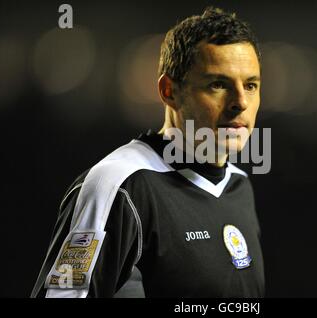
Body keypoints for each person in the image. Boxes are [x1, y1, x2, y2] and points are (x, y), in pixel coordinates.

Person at [31, 7, 264, 298]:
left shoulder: (239, 185)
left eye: (251, 85)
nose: (240, 102)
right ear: (169, 91)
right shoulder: (117, 187)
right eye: (218, 84)